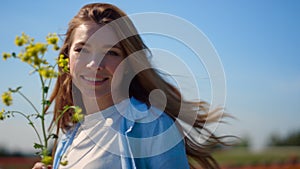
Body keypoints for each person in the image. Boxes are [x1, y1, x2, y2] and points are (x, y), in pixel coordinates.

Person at [33, 3, 226, 169]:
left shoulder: (153, 126)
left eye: (112, 52)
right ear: (66, 58)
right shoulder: (69, 135)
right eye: (82, 50)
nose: (95, 64)